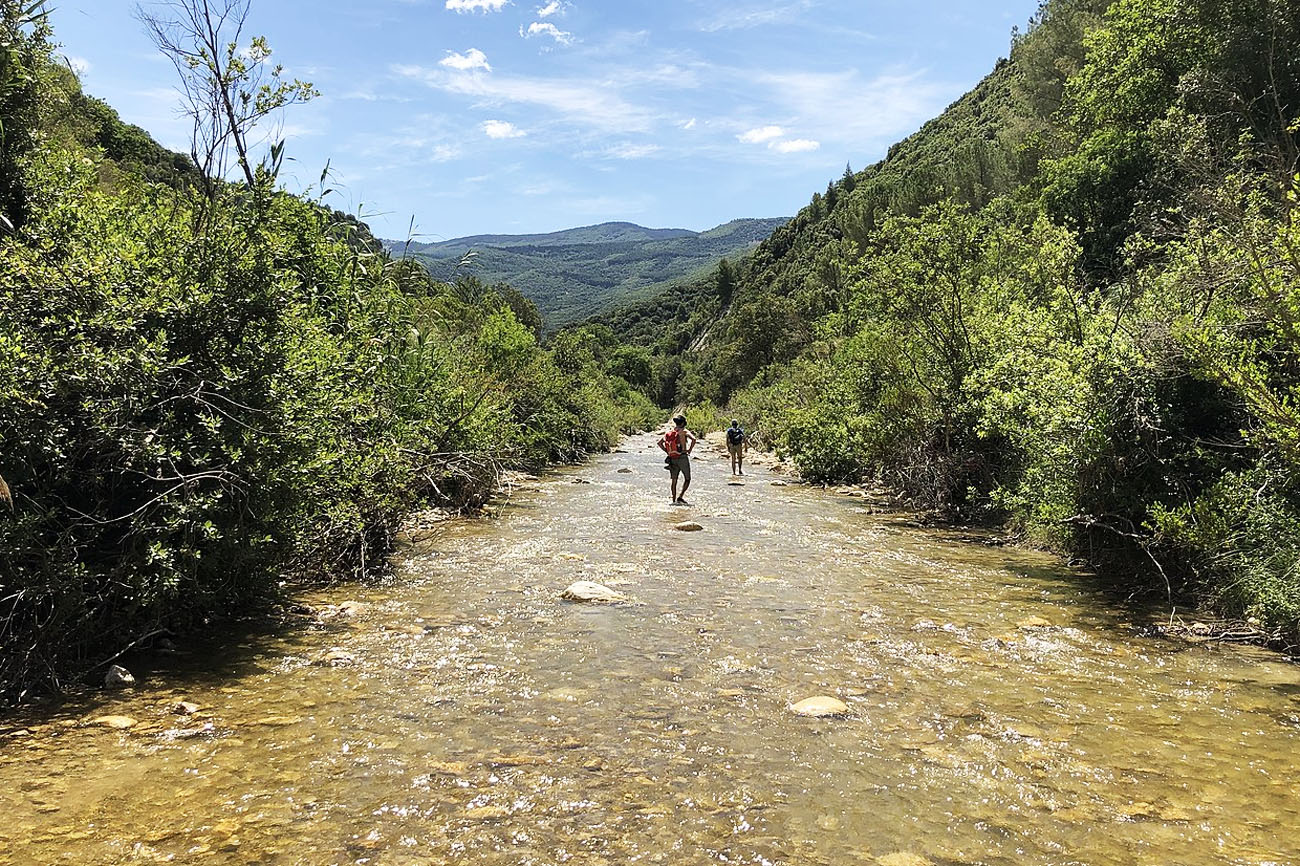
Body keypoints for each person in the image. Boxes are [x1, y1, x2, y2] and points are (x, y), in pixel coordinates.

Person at [657, 414, 697, 505]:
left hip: (672, 458)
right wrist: (689, 450)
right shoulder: (684, 431)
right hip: (682, 457)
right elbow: (694, 439)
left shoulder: (670, 432)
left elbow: (659, 443)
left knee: (674, 480)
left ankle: (673, 501)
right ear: (683, 423)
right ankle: (680, 497)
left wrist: (667, 452)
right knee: (687, 479)